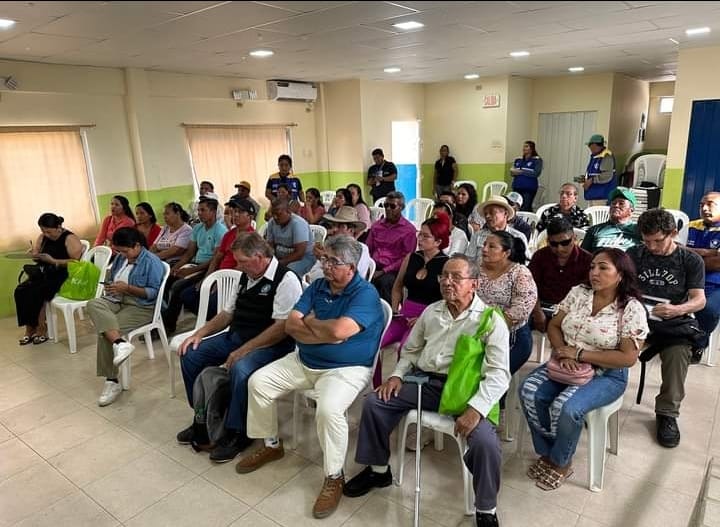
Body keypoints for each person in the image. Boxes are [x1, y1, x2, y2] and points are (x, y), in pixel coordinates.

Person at [344, 255, 510, 527]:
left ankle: (485, 509)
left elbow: (499, 374)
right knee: (375, 402)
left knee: (485, 443)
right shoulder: (432, 312)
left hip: (467, 392)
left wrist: (476, 409)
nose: (447, 282)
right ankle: (378, 471)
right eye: (444, 276)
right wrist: (397, 376)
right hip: (427, 383)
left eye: (456, 277)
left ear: (474, 284)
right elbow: (411, 351)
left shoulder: (490, 320)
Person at [237, 236, 385, 519]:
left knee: (328, 410)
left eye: (333, 262)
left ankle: (334, 476)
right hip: (304, 360)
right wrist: (323, 332)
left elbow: (340, 331)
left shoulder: (365, 294)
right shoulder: (317, 286)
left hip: (346, 369)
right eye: (325, 259)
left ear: (352, 268)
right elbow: (292, 325)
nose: (325, 265)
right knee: (258, 382)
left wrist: (312, 323)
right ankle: (271, 445)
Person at [519, 249, 648, 490]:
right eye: (592, 267)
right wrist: (562, 351)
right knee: (528, 391)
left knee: (567, 407)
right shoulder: (579, 293)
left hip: (606, 372)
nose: (594, 272)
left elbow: (628, 357)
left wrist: (579, 354)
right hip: (565, 363)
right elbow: (554, 326)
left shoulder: (631, 309)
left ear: (620, 274)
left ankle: (561, 462)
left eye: (603, 268)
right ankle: (547, 452)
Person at [175, 232, 303, 461]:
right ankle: (203, 418)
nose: (238, 266)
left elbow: (282, 328)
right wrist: (198, 334)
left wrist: (244, 350)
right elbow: (227, 314)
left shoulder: (286, 279)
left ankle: (238, 432)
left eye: (242, 261)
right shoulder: (245, 276)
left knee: (241, 368)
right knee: (191, 354)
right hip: (237, 337)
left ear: (260, 256)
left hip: (273, 345)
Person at [628, 209, 706, 448]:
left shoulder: (690, 260)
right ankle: (597, 396)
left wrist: (677, 309)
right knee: (607, 340)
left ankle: (667, 413)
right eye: (646, 241)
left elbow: (699, 300)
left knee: (678, 352)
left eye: (657, 241)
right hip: (636, 316)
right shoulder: (634, 254)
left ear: (673, 233)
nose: (651, 247)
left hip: (671, 321)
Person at [86, 228, 165, 407]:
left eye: (125, 251)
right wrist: (111, 286)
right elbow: (114, 277)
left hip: (141, 306)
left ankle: (112, 381)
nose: (122, 255)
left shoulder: (152, 262)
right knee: (93, 304)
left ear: (137, 246)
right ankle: (120, 343)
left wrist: (127, 288)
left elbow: (153, 293)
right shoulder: (121, 258)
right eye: (119, 251)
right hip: (118, 299)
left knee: (105, 332)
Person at [372, 213, 451, 387]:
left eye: (425, 236)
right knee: (375, 341)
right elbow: (397, 286)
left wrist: (425, 318)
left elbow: (447, 300)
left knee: (405, 348)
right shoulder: (412, 257)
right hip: (404, 314)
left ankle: (399, 388)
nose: (420, 239)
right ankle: (377, 386)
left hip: (428, 316)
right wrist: (395, 309)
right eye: (419, 234)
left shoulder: (446, 264)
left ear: (438, 241)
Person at [180, 198, 256, 319]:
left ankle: (218, 321)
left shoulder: (252, 237)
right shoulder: (229, 234)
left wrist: (220, 281)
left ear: (250, 216)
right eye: (234, 211)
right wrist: (207, 278)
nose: (235, 214)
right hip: (218, 276)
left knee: (210, 303)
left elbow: (242, 267)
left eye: (241, 212)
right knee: (187, 295)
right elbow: (217, 258)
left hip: (234, 280)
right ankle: (211, 320)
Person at [162, 196, 227, 334]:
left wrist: (192, 270)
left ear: (213, 212)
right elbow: (189, 253)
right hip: (194, 264)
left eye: (203, 210)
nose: (199, 213)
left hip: (208, 268)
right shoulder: (197, 228)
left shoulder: (220, 231)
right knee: (167, 279)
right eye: (198, 210)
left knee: (178, 287)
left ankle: (169, 325)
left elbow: (215, 260)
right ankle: (162, 317)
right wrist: (176, 267)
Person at [15, 213, 84, 345]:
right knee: (21, 290)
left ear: (58, 227)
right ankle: (30, 328)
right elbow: (37, 254)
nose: (46, 234)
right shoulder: (43, 237)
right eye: (43, 231)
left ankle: (41, 328)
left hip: (63, 274)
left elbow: (76, 263)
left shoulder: (70, 238)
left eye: (49, 231)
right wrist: (35, 255)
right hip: (44, 272)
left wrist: (53, 261)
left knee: (37, 291)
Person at [476, 232, 537, 375]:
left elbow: (522, 306)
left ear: (506, 253)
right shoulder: (477, 269)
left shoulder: (520, 273)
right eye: (484, 245)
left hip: (511, 336)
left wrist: (493, 328)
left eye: (492, 246)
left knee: (492, 376)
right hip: (477, 330)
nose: (484, 249)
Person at [529, 217, 593, 331]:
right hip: (541, 306)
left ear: (574, 238)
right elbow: (530, 287)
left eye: (565, 243)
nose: (560, 248)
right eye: (553, 244)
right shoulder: (540, 256)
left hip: (572, 311)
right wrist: (537, 312)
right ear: (548, 241)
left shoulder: (587, 260)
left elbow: (588, 294)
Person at [365, 191, 418, 303]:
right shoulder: (376, 226)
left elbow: (406, 258)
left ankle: (388, 310)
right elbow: (368, 248)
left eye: (392, 206)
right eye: (386, 205)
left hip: (394, 270)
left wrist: (383, 271)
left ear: (401, 208)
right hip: (374, 265)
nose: (388, 209)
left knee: (384, 282)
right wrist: (367, 266)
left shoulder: (408, 230)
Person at [686, 192, 720, 351]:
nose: (705, 208)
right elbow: (675, 251)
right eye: (701, 205)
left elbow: (718, 264)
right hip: (687, 279)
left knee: (708, 310)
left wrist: (689, 252)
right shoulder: (690, 226)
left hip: (715, 282)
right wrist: (710, 252)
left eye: (710, 204)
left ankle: (698, 345)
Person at [305, 207, 370, 283]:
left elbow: (355, 277)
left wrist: (324, 258)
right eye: (334, 225)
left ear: (351, 230)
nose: (334, 230)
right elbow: (312, 272)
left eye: (340, 226)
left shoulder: (362, 249)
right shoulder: (331, 246)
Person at [464, 196, 529, 264]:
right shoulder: (478, 235)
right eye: (485, 214)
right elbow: (468, 261)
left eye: (491, 212)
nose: (487, 216)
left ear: (505, 214)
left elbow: (524, 263)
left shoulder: (518, 237)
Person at [265, 198, 316, 276]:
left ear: (288, 212)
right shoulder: (272, 223)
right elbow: (270, 246)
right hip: (281, 258)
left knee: (288, 271)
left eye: (278, 214)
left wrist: (279, 263)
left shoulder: (298, 224)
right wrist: (271, 260)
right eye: (273, 214)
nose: (275, 217)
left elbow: (299, 253)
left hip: (304, 258)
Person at [581, 187, 642, 253]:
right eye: (613, 203)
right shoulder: (595, 230)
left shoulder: (638, 230)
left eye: (621, 203)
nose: (616, 205)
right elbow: (582, 255)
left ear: (631, 210)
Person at [582, 134, 617, 206]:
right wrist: (585, 179)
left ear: (594, 145)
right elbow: (593, 172)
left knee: (597, 213)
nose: (589, 148)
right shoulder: (596, 156)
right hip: (593, 195)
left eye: (590, 146)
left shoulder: (606, 156)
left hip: (602, 196)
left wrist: (591, 180)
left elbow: (607, 175)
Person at [510, 140, 543, 212]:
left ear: (531, 148)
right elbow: (512, 173)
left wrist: (521, 172)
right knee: (515, 207)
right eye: (524, 146)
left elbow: (536, 173)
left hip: (528, 189)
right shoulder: (518, 160)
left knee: (526, 207)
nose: (524, 148)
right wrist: (513, 172)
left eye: (526, 146)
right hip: (517, 187)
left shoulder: (537, 160)